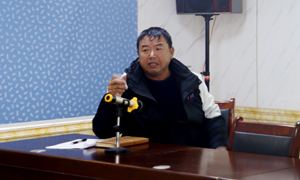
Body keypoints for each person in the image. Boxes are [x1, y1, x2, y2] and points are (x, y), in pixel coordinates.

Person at [93, 26, 228, 149]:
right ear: (138, 54)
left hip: (190, 156)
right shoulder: (124, 85)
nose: (152, 55)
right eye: (145, 50)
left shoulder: (192, 81)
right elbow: (102, 132)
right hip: (141, 158)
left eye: (158, 49)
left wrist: (220, 149)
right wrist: (110, 99)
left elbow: (213, 118)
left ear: (171, 52)